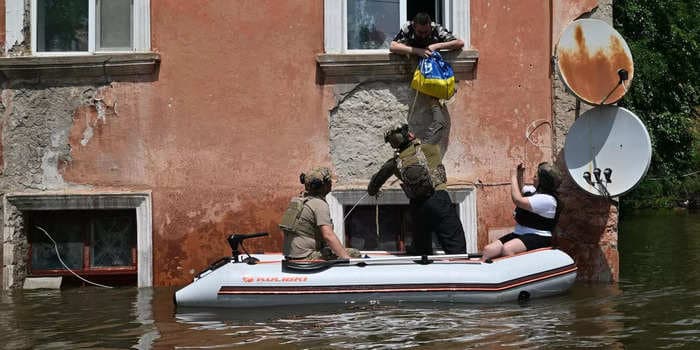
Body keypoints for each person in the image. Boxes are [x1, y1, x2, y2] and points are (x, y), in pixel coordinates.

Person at [367, 123, 466, 255]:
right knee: (456, 248)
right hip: (439, 199)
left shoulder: (393, 164)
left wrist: (375, 189)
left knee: (421, 253)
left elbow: (373, 187)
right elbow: (440, 124)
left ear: (393, 145)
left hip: (418, 207)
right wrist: (435, 104)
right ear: (410, 135)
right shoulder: (429, 147)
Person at [390, 12, 464, 158]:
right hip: (420, 79)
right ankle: (422, 152)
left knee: (439, 121)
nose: (423, 35)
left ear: (430, 27)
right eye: (419, 32)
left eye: (426, 32)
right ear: (413, 26)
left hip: (435, 80)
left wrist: (437, 45)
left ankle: (425, 152)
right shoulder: (407, 28)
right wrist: (417, 51)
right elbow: (393, 46)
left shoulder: (436, 29)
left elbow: (459, 43)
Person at [482, 162, 563, 261]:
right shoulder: (535, 192)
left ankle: (513, 274)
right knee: (488, 250)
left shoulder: (548, 200)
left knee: (508, 249)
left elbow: (517, 200)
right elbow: (522, 189)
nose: (534, 177)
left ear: (543, 181)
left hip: (539, 236)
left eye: (536, 176)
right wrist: (520, 173)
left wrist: (513, 176)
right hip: (520, 233)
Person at [280, 167, 362, 260]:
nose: (331, 183)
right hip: (307, 257)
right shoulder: (319, 204)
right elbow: (328, 235)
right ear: (324, 185)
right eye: (329, 181)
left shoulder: (298, 201)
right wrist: (347, 259)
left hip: (291, 257)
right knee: (354, 253)